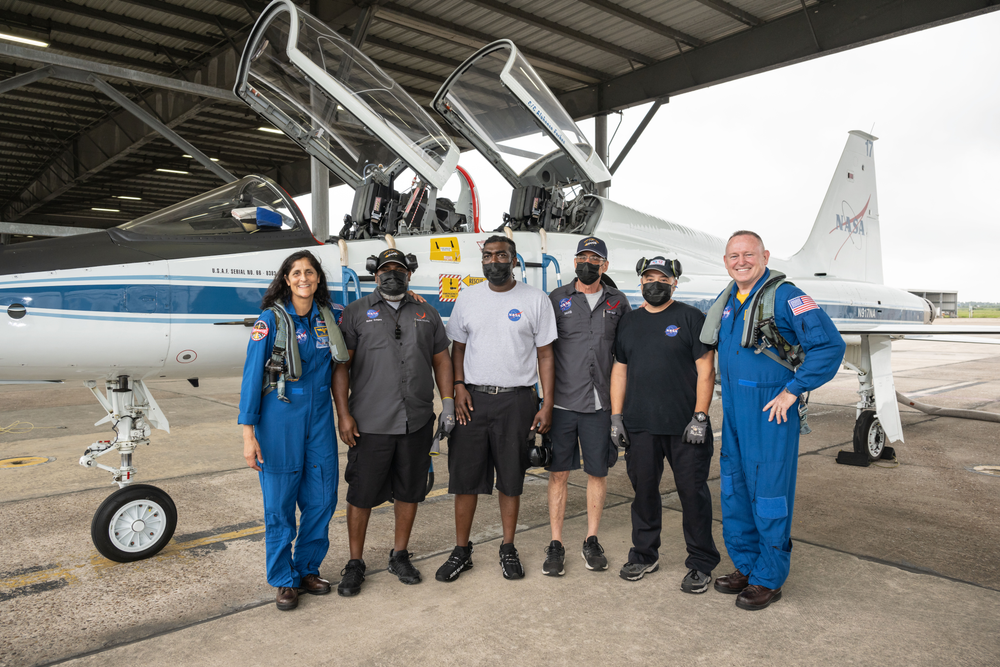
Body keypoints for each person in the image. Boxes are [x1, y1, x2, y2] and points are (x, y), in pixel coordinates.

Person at [705, 231, 845, 610]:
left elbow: (830, 346)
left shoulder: (787, 296)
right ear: (725, 260)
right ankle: (747, 567)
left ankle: (769, 578)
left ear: (764, 256)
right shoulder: (730, 301)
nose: (741, 261)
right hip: (734, 410)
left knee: (768, 494)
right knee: (734, 491)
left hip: (770, 413)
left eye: (748, 254)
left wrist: (793, 389)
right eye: (734, 255)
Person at [435, 234, 557, 581]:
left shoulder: (535, 300)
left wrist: (546, 403)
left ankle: (508, 547)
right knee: (465, 480)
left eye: (500, 255)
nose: (493, 261)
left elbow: (546, 354)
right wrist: (458, 387)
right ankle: (461, 551)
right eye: (487, 256)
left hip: (517, 400)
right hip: (472, 400)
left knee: (511, 479)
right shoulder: (469, 298)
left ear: (514, 260)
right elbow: (457, 348)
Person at [333, 248, 454, 596]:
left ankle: (399, 554)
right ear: (375, 275)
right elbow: (341, 368)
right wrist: (343, 414)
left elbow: (441, 361)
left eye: (399, 269)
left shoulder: (427, 313)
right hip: (370, 423)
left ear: (409, 275)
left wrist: (446, 403)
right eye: (385, 269)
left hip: (415, 421)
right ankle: (355, 562)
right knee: (361, 495)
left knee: (410, 491)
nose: (392, 274)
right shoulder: (356, 313)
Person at [238, 250, 346, 611]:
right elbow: (252, 379)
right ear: (286, 279)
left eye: (310, 272)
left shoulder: (329, 319)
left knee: (322, 498)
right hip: (279, 418)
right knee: (280, 504)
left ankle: (306, 570)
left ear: (318, 279)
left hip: (318, 419)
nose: (304, 278)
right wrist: (248, 435)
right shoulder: (269, 321)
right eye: (296, 273)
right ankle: (283, 579)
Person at [610, 256, 720, 592]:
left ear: (674, 282)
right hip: (641, 425)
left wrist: (700, 416)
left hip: (685, 427)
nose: (654, 283)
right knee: (643, 493)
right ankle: (644, 555)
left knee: (693, 494)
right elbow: (620, 370)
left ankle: (701, 562)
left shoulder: (690, 317)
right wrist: (616, 416)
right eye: (648, 277)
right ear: (639, 281)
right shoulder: (629, 322)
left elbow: (706, 369)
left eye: (662, 278)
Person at [543, 236, 631, 576]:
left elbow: (626, 354)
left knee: (597, 472)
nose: (587, 263)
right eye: (582, 257)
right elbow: (542, 349)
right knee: (559, 474)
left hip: (601, 406)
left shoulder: (618, 302)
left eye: (595, 259)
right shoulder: (557, 299)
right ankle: (556, 543)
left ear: (604, 266)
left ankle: (591, 538)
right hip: (564, 403)